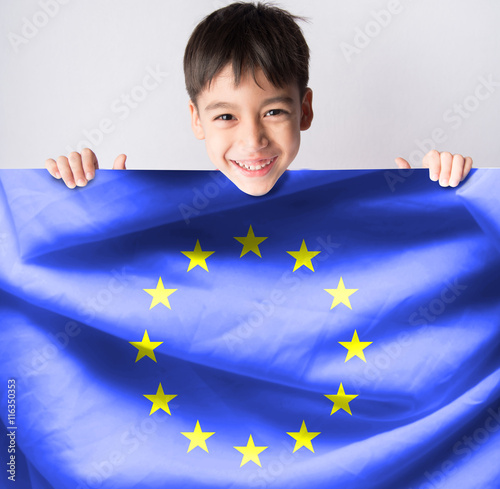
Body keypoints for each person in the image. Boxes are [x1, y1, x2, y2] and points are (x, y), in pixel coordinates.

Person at [45, 2, 473, 196]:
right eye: (226, 116)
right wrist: (89, 209)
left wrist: (431, 203)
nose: (253, 140)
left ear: (304, 110)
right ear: (196, 120)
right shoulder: (144, 215)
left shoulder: (366, 211)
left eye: (272, 111)